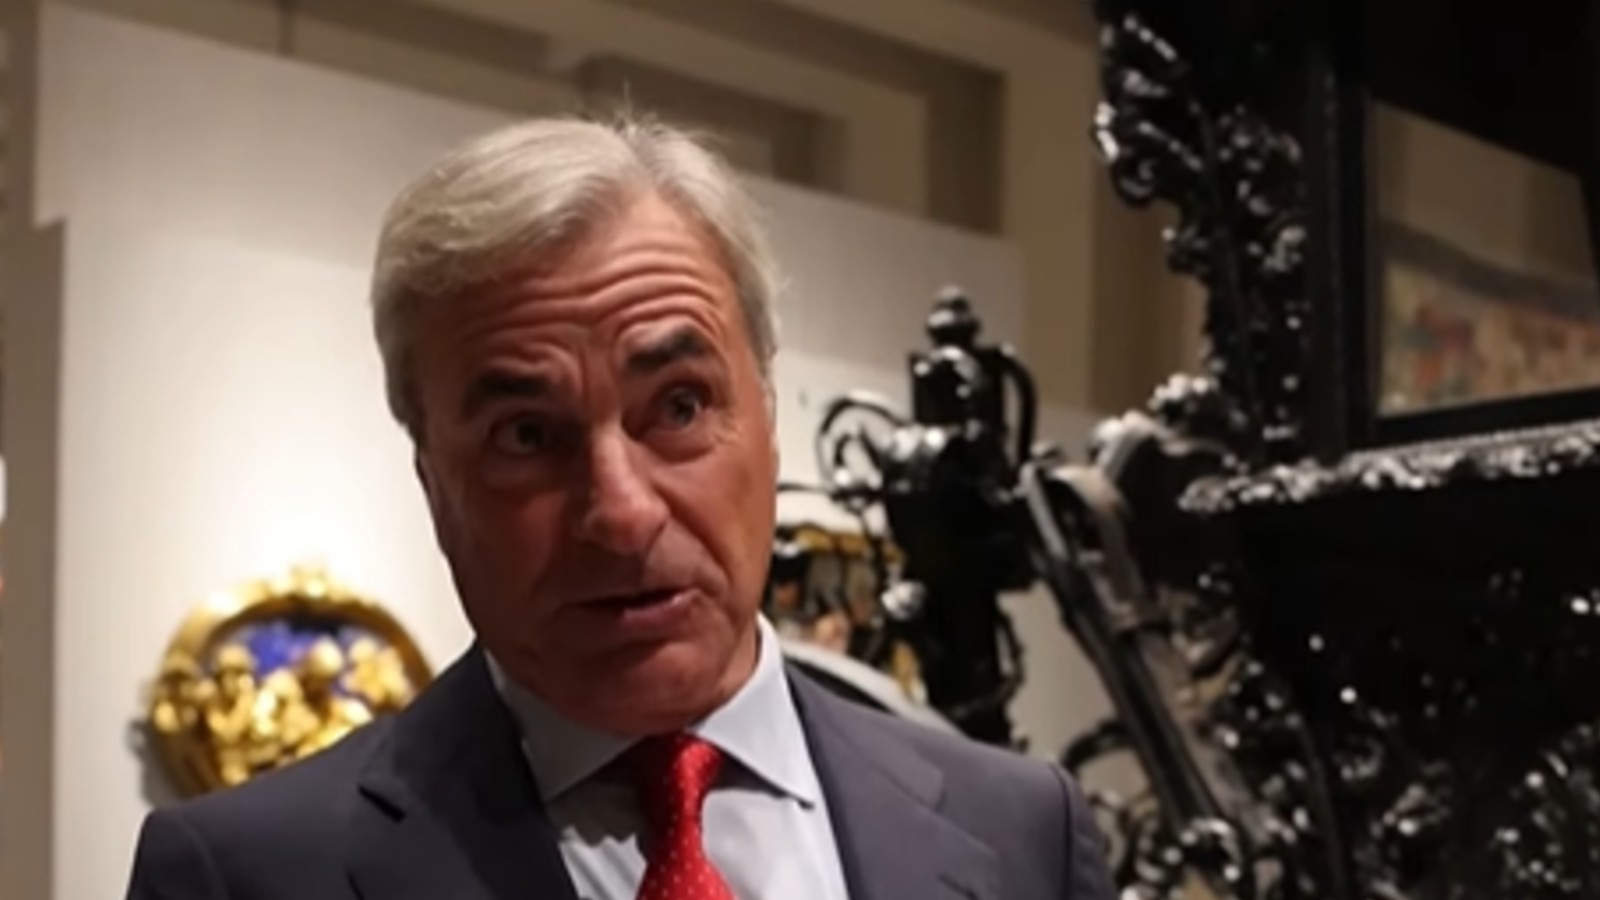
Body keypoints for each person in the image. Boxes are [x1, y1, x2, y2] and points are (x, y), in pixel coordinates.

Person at [123, 113, 1117, 900]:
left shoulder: (1023, 834)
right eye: (527, 435)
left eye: (679, 408)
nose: (623, 512)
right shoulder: (246, 877)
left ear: (768, 418)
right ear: (432, 480)